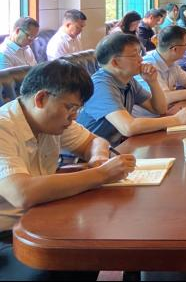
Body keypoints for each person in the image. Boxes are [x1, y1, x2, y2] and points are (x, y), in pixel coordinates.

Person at [0, 60, 136, 280]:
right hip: (7, 235)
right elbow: (21, 193)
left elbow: (94, 141)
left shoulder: (51, 121)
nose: (74, 116)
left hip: (39, 218)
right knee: (75, 253)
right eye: (70, 108)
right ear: (41, 99)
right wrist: (101, 174)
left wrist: (98, 158)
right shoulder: (4, 127)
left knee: (95, 238)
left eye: (77, 109)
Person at [76, 33, 186, 145]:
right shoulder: (100, 85)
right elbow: (128, 127)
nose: (141, 59)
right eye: (134, 55)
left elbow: (160, 109)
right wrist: (176, 119)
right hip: (84, 155)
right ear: (115, 63)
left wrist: (152, 82)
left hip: (113, 147)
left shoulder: (128, 80)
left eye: (139, 53)